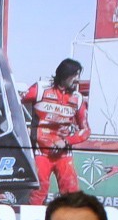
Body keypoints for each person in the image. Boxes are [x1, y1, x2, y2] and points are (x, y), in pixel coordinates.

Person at [22, 58, 90, 206]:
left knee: (71, 192)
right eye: (75, 75)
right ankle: (33, 219)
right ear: (64, 74)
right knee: (39, 190)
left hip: (63, 153)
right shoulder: (41, 89)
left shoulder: (78, 99)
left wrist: (66, 141)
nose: (77, 79)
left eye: (79, 75)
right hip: (40, 151)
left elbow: (86, 131)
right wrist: (22, 128)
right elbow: (15, 102)